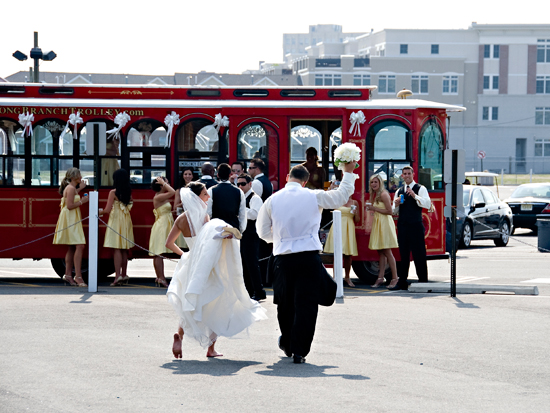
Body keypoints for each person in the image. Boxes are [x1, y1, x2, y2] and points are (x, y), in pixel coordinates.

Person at [257, 162, 357, 364]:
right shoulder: (313, 196)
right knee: (306, 304)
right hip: (308, 257)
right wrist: (348, 173)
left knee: (284, 304)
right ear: (305, 182)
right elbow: (340, 197)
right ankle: (299, 350)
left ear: (287, 177)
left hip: (283, 258)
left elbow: (262, 231)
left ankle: (287, 342)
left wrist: (279, 239)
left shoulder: (272, 200)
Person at [165, 182, 267, 359]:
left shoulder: (181, 219)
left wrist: (186, 255)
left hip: (189, 263)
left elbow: (168, 243)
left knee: (189, 301)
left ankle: (179, 335)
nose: (208, 197)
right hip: (206, 266)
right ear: (198, 197)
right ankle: (211, 348)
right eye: (205, 194)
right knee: (214, 303)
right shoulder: (205, 218)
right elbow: (210, 243)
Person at [390, 166, 432, 291]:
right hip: (403, 225)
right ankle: (402, 281)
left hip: (416, 225)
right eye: (405, 174)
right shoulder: (399, 191)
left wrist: (415, 196)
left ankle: (423, 281)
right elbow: (394, 211)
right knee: (403, 255)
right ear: (402, 176)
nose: (407, 176)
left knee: (419, 254)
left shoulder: (420, 188)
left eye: (409, 173)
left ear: (413, 174)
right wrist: (396, 204)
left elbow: (427, 204)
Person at [53, 167, 89, 287]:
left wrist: (80, 189)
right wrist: (82, 201)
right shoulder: (71, 188)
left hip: (70, 218)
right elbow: (69, 205)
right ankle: (78, 276)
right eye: (79, 175)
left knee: (72, 247)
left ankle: (68, 275)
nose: (81, 177)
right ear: (74, 177)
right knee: (80, 245)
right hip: (71, 218)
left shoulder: (71, 188)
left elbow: (71, 196)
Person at [102, 169, 134, 286]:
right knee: (124, 248)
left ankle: (117, 276)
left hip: (116, 220)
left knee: (116, 248)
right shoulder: (128, 191)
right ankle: (124, 274)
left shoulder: (113, 192)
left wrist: (97, 211)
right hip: (126, 220)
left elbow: (106, 210)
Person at [366, 174, 399, 289]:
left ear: (380, 183)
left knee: (387, 251)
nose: (374, 184)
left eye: (376, 182)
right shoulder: (376, 195)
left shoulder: (384, 194)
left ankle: (395, 278)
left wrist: (374, 208)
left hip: (384, 223)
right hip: (379, 223)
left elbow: (390, 211)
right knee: (380, 251)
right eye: (372, 182)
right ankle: (380, 278)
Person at [237, 173, 266, 300]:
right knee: (244, 263)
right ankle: (249, 291)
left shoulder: (255, 198)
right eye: (238, 184)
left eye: (243, 184)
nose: (240, 186)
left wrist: (241, 210)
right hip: (242, 234)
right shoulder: (241, 198)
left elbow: (255, 214)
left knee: (252, 263)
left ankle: (259, 291)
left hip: (252, 234)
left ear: (250, 184)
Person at [323, 195, 359, 287]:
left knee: (348, 255)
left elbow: (357, 220)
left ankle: (347, 277)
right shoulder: (337, 200)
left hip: (349, 227)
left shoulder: (355, 202)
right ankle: (336, 278)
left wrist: (355, 213)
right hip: (337, 227)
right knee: (337, 254)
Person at [148, 176, 176, 288]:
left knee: (160, 253)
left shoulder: (162, 196)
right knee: (158, 253)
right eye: (166, 183)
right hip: (161, 227)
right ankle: (161, 277)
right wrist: (164, 183)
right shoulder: (158, 197)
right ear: (161, 185)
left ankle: (160, 277)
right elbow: (173, 191)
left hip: (165, 225)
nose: (168, 185)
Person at [207, 163, 247, 234]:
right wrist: (240, 230)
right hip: (233, 229)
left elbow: (208, 213)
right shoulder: (239, 191)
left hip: (216, 230)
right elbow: (242, 214)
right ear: (230, 174)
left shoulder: (211, 191)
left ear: (218, 175)